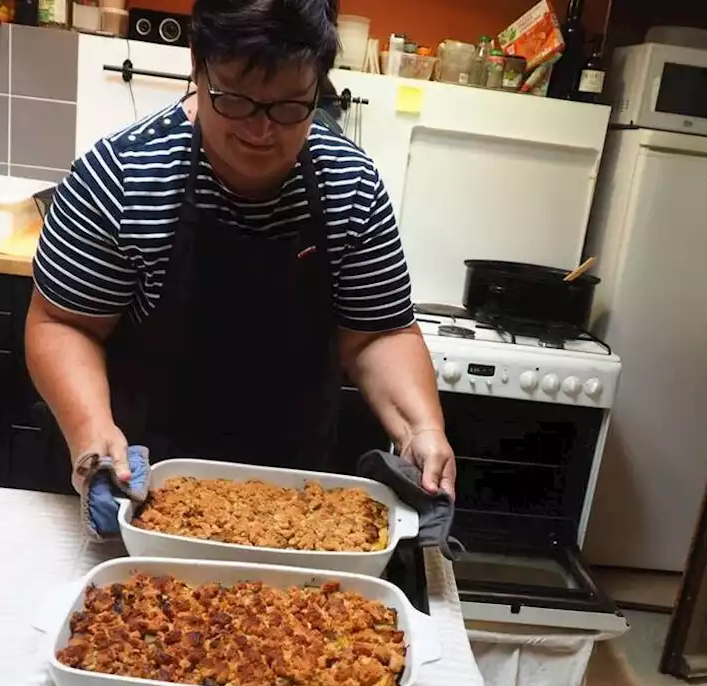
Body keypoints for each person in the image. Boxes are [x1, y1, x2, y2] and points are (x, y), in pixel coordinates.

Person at [25, 0, 456, 499]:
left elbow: (378, 334)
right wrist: (91, 429)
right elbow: (62, 324)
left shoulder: (350, 186)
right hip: (144, 489)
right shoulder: (122, 177)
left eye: (290, 106)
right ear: (197, 64)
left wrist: (421, 429)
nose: (260, 131)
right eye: (236, 100)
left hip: (294, 498)